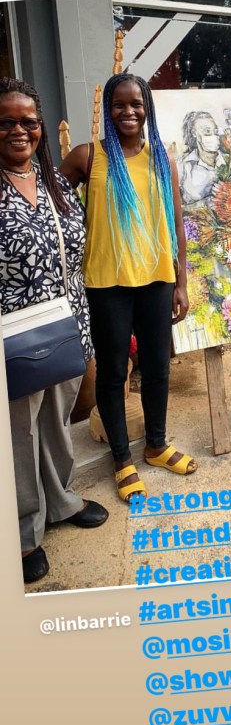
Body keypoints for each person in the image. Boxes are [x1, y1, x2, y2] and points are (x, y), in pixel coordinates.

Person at [60, 73, 197, 504]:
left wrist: (181, 282)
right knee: (114, 371)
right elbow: (52, 201)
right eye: (119, 104)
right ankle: (122, 459)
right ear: (109, 109)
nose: (128, 111)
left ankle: (156, 445)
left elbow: (176, 224)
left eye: (136, 103)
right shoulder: (88, 157)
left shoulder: (161, 158)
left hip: (156, 278)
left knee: (157, 367)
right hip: (107, 283)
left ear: (147, 108)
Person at [0, 77, 109, 584]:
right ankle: (24, 530)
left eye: (28, 121)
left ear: (41, 127)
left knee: (57, 421)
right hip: (14, 334)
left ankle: (61, 500)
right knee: (18, 434)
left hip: (67, 324)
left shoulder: (55, 182)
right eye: (6, 122)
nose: (18, 131)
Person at [177, 110, 223, 208]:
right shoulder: (183, 166)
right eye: (207, 132)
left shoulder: (229, 161)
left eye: (215, 132)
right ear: (194, 133)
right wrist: (203, 204)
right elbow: (173, 208)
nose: (213, 136)